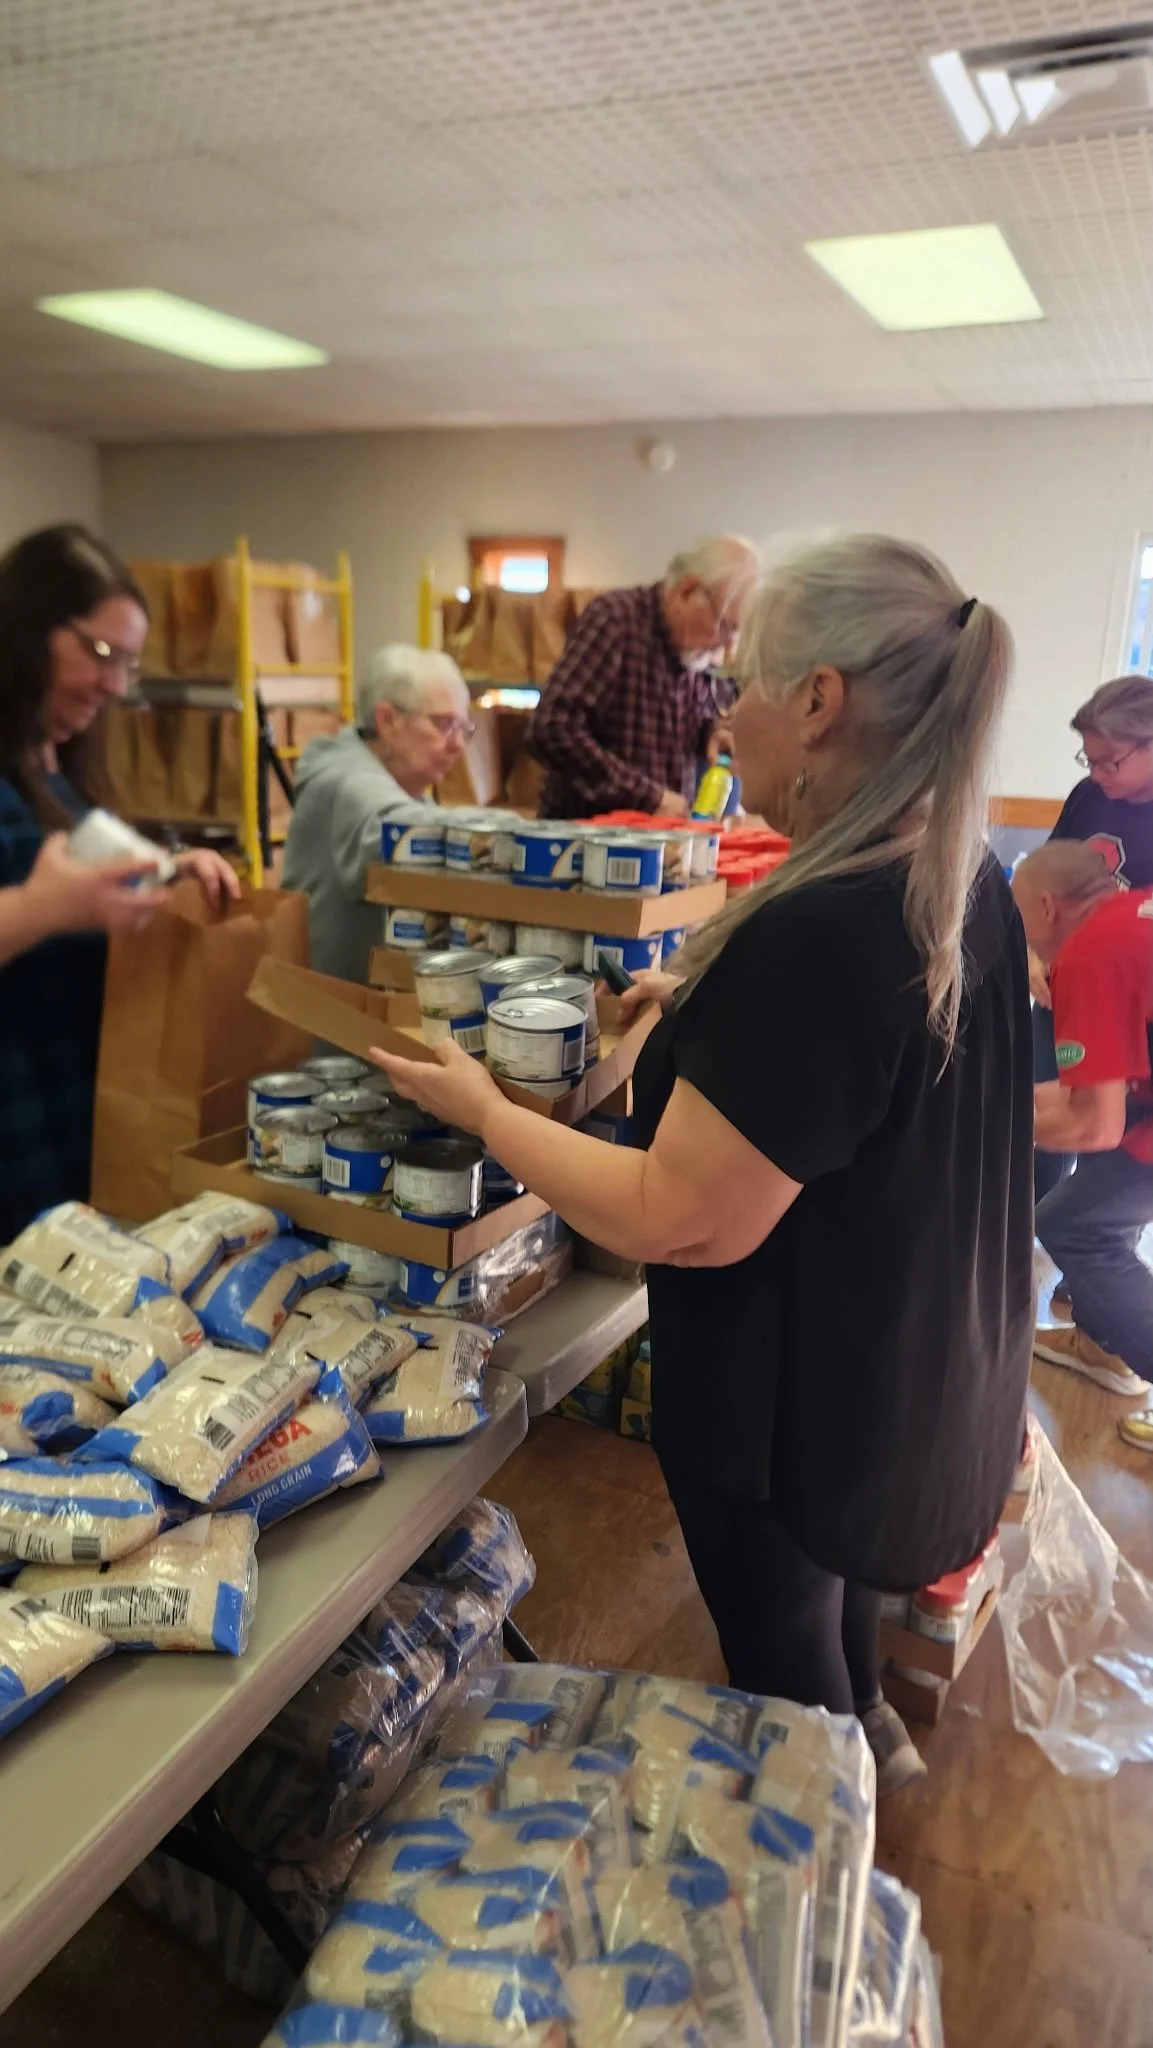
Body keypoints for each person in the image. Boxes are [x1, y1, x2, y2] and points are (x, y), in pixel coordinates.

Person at [369, 533, 1034, 1795]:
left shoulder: (819, 933)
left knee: (780, 1649)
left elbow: (679, 1220)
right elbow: (869, 1080)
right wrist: (710, 1004)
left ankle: (818, 1845)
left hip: (793, 1417)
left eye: (743, 684)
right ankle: (871, 1735)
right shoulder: (959, 878)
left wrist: (482, 1108)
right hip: (898, 1379)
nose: (723, 715)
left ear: (819, 701)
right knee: (831, 1584)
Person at [0, 524, 238, 1239]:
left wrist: (170, 869)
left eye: (126, 664)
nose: (112, 683)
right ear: (27, 629)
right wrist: (40, 910)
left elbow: (92, 868)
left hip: (67, 1114)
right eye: (101, 654)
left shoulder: (50, 765)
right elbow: (51, 894)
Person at [1013, 840, 1153, 1413]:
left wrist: (987, 1130)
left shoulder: (1086, 956)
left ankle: (1123, 1356)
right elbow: (1102, 1090)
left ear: (1046, 907)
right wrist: (1008, 1103)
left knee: (1073, 1224)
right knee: (1091, 1211)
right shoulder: (1130, 915)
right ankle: (1106, 1350)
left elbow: (1096, 1126)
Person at [528, 535, 760, 819]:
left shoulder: (694, 652)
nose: (727, 645)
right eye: (725, 626)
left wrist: (711, 734)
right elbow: (552, 729)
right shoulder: (615, 621)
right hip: (587, 847)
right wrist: (648, 797)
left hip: (658, 847)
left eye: (736, 632)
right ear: (687, 591)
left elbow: (686, 726)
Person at [282, 644, 474, 981]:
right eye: (444, 724)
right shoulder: (347, 782)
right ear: (388, 721)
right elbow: (397, 833)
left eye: (463, 729)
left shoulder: (397, 785)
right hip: (330, 1019)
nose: (457, 744)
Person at [1032, 674, 1153, 1202]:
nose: (1099, 774)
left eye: (1113, 762)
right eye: (1089, 760)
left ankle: (1084, 1252)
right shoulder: (1088, 797)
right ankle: (1032, 1240)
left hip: (1128, 1012)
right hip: (1062, 991)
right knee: (1048, 1121)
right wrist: (1037, 956)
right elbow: (1049, 883)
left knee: (1107, 1134)